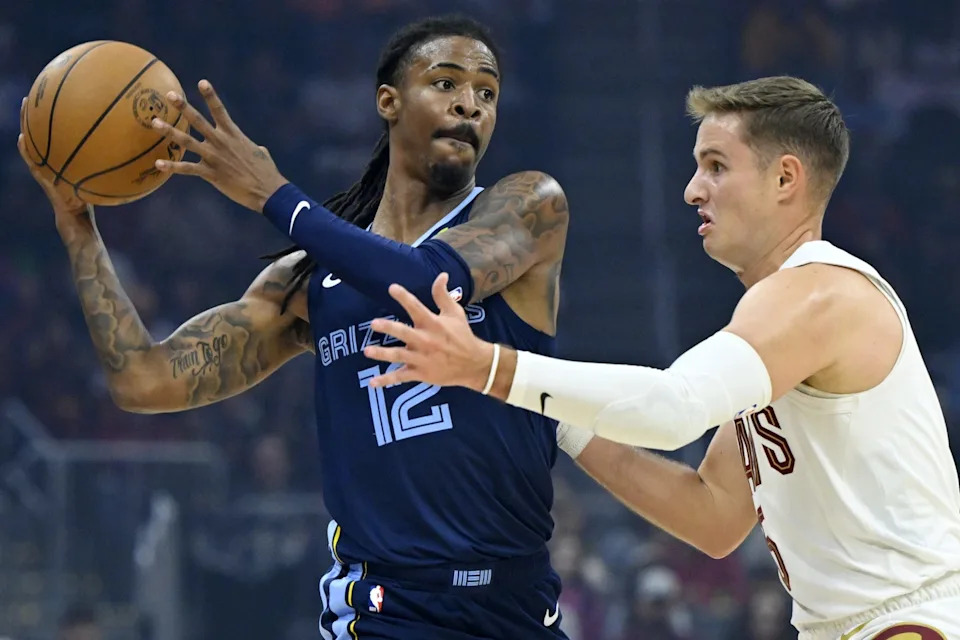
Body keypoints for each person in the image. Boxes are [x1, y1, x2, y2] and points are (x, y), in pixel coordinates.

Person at [20, 15, 571, 640]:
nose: (470, 103)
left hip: (515, 607)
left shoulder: (530, 207)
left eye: (486, 91)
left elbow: (426, 281)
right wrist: (78, 228)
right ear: (388, 101)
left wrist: (274, 195)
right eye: (445, 83)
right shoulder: (309, 283)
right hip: (386, 611)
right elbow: (144, 381)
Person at [359, 76, 960, 639]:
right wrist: (552, 416)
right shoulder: (781, 323)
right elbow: (714, 515)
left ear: (785, 178)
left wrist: (490, 366)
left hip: (909, 619)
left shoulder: (818, 293)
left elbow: (673, 408)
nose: (692, 189)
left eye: (716, 167)